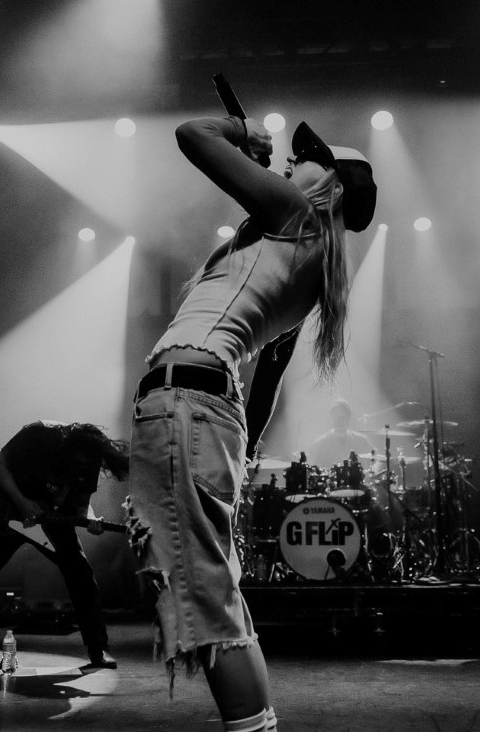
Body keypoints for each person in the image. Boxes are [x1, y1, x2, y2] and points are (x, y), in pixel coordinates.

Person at [124, 114, 375, 732]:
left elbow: (191, 136)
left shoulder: (300, 214)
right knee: (219, 592)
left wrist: (238, 132)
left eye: (307, 157)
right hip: (208, 407)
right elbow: (262, 391)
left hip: (189, 400)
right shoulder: (311, 252)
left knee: (204, 596)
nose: (291, 162)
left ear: (333, 185)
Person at [0, 420, 129, 669]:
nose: (83, 464)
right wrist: (21, 502)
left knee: (81, 573)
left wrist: (92, 521)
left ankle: (98, 650)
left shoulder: (90, 458)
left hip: (50, 517)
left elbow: (82, 505)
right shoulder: (40, 432)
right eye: (79, 459)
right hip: (9, 513)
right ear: (69, 446)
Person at [305, 398, 377, 467]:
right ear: (331, 418)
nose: (339, 421)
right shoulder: (320, 443)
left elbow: (376, 460)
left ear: (349, 418)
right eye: (336, 418)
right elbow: (311, 465)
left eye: (342, 417)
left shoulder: (361, 441)